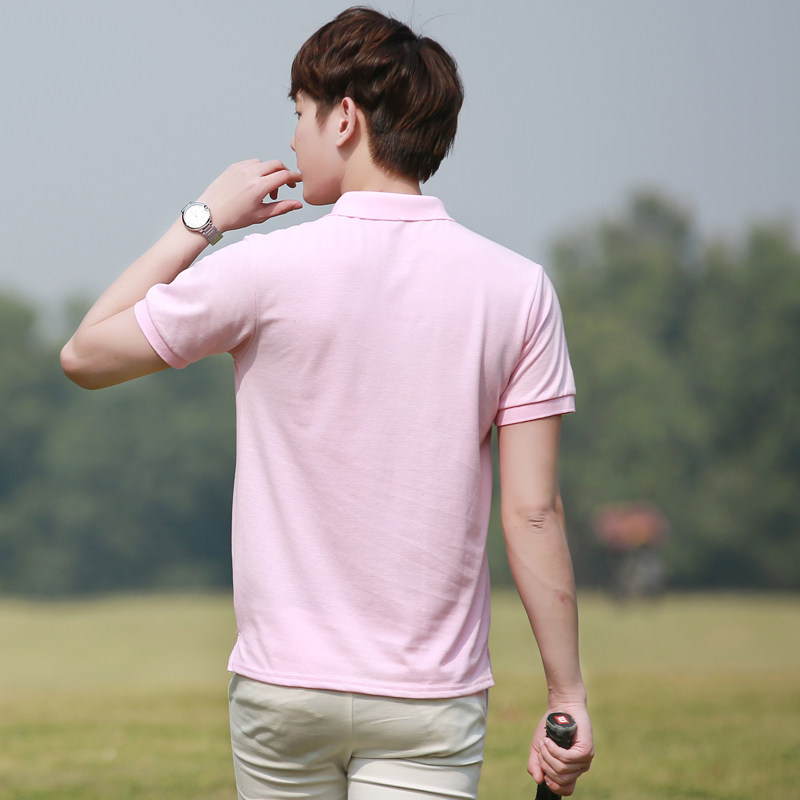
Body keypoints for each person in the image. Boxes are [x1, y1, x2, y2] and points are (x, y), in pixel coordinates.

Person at [61, 7, 594, 799]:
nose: (293, 138)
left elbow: (85, 354)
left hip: (284, 688)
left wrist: (203, 220)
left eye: (300, 114)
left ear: (344, 118)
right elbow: (533, 513)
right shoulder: (518, 289)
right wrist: (566, 695)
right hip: (428, 694)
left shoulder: (263, 269)